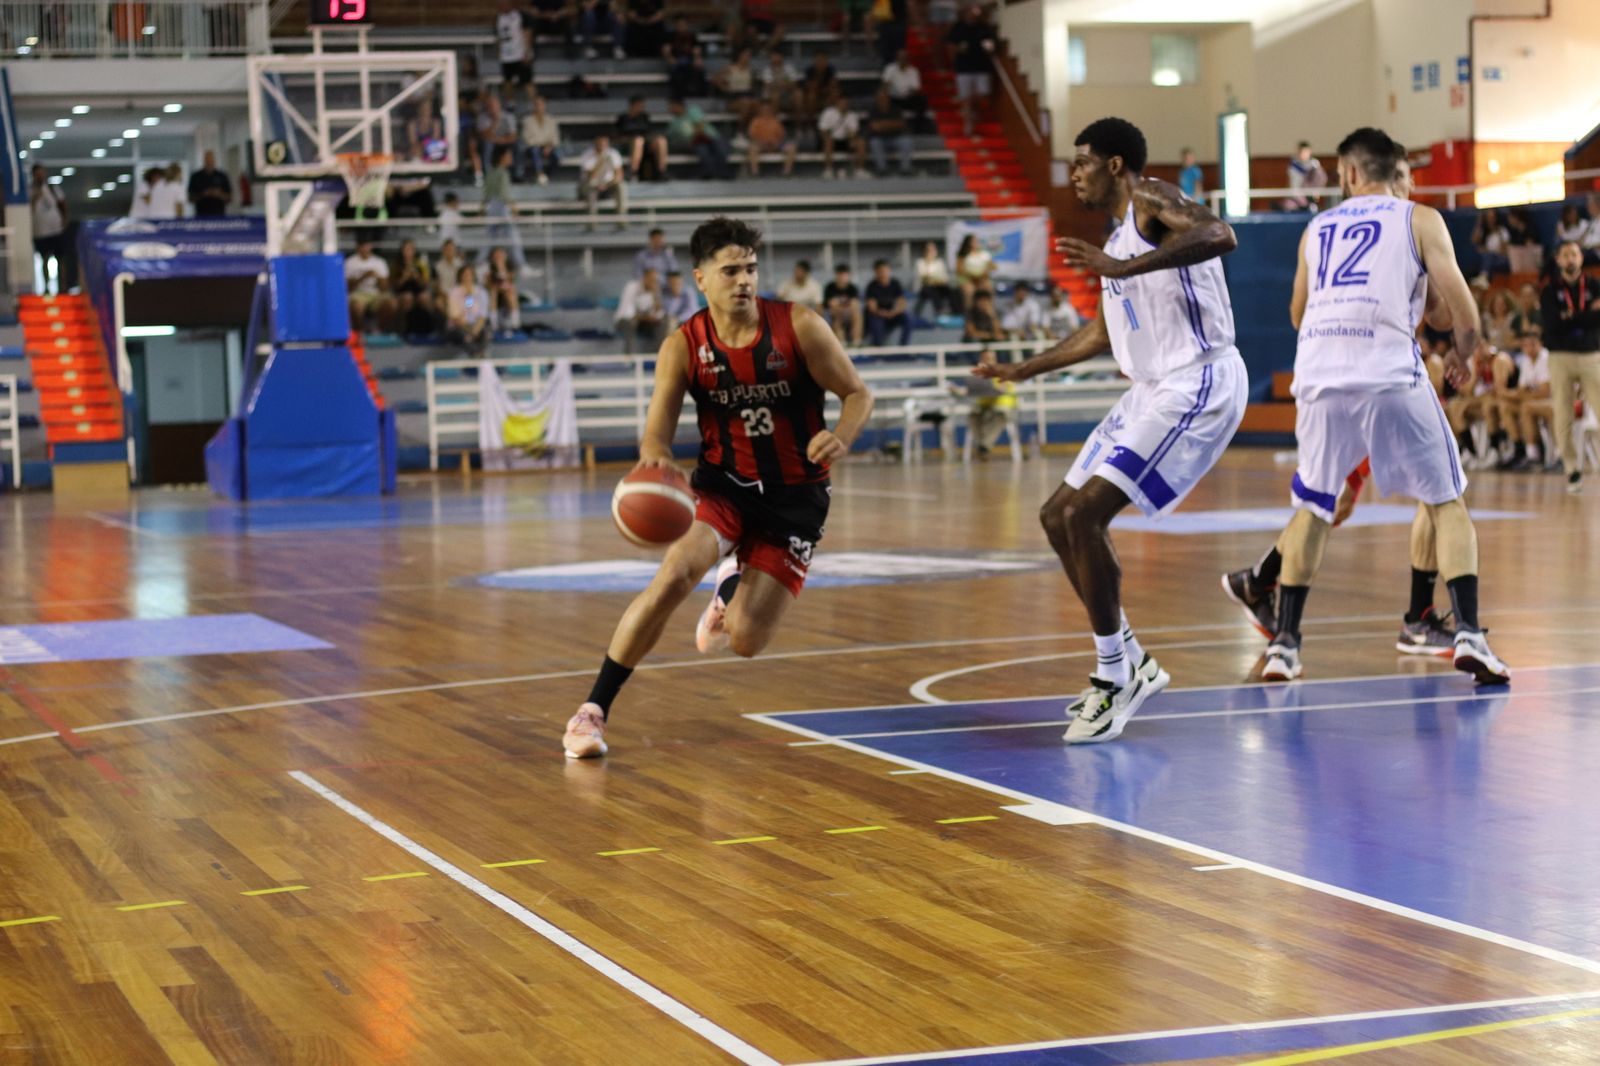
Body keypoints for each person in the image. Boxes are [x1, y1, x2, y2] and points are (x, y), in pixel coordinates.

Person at [974, 116, 1248, 742]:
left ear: (1117, 165)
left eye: (1083, 162)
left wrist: (1127, 268)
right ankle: (1131, 662)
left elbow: (1219, 231)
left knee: (1084, 516)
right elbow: (1101, 333)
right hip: (1151, 388)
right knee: (1056, 515)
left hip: (1198, 379)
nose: (1074, 173)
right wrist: (1025, 368)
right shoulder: (1112, 238)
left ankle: (1113, 675)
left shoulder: (1151, 199)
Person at [562, 217, 874, 758]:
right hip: (723, 487)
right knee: (674, 576)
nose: (744, 280)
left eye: (751, 268)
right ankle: (591, 713)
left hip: (796, 496)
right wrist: (658, 467)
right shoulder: (684, 345)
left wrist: (841, 436)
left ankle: (731, 583)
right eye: (730, 271)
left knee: (747, 640)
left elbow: (858, 393)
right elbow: (655, 437)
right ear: (701, 279)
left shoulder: (799, 326)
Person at [1254, 126, 1508, 684]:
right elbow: (1461, 314)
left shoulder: (1317, 228)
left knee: (1315, 508)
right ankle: (1468, 633)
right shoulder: (1419, 218)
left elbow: (1298, 313)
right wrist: (1466, 358)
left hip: (1319, 377)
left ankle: (1286, 646)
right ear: (1399, 173)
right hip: (1388, 371)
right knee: (1447, 500)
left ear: (1347, 173)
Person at [1541, 240, 1600, 492]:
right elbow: (1553, 325)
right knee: (1563, 414)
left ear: (1581, 258)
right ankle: (1572, 469)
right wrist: (1586, 317)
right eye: (1565, 254)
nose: (1570, 259)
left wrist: (1570, 318)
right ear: (1558, 260)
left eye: (1574, 254)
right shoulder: (1549, 291)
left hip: (1591, 355)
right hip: (1560, 357)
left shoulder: (1595, 285)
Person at [1498, 329, 1552, 470]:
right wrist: (1516, 394)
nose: (1529, 348)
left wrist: (1519, 394)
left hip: (1551, 402)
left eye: (1532, 344)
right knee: (1505, 406)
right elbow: (1523, 389)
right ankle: (1519, 450)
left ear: (1540, 344)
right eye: (1526, 345)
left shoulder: (1546, 357)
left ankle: (1534, 454)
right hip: (1533, 401)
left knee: (1526, 407)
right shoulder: (1526, 361)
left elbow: (1545, 392)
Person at [957, 348, 1017, 457]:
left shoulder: (1004, 372)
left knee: (999, 416)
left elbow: (1005, 388)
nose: (988, 362)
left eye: (990, 359)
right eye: (985, 359)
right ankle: (983, 446)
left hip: (1003, 407)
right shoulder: (978, 375)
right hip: (984, 407)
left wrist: (998, 388)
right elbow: (969, 391)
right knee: (973, 416)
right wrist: (957, 390)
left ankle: (983, 446)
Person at [946, 5, 995, 135]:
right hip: (964, 68)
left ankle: (974, 112)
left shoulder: (983, 28)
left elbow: (991, 45)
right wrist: (957, 51)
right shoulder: (958, 28)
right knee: (966, 97)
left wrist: (989, 48)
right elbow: (951, 45)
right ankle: (968, 123)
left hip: (981, 67)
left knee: (982, 93)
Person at [482, 146, 529, 272]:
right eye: (509, 155)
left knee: (489, 238)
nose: (511, 158)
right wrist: (514, 208)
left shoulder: (491, 172)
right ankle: (521, 265)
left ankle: (480, 263)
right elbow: (504, 194)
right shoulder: (503, 173)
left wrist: (482, 207)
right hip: (501, 207)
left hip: (491, 207)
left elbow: (486, 194)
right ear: (502, 157)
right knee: (514, 237)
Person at [665, 97, 733, 180]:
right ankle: (710, 175)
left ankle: (724, 174)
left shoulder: (693, 110)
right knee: (703, 152)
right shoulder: (674, 123)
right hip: (697, 143)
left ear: (679, 105)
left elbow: (700, 125)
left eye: (671, 106)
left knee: (720, 149)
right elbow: (674, 140)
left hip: (711, 137)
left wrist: (695, 137)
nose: (670, 109)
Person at [28, 166, 70, 294]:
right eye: (37, 174)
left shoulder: (53, 189)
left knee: (60, 259)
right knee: (44, 258)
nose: (40, 176)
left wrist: (65, 220)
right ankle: (46, 287)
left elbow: (63, 204)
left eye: (42, 173)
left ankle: (62, 287)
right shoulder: (30, 190)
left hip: (56, 229)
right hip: (40, 231)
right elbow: (28, 209)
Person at [578, 134, 628, 229]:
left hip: (609, 184)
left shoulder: (613, 153)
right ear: (595, 143)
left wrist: (607, 184)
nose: (602, 146)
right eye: (600, 144)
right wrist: (601, 160)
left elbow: (619, 175)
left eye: (604, 144)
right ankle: (592, 223)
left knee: (621, 186)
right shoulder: (587, 155)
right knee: (590, 189)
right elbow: (590, 177)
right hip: (592, 184)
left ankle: (622, 220)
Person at [346, 239, 395, 334]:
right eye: (363, 246)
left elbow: (385, 287)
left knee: (391, 304)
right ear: (358, 247)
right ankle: (359, 334)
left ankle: (380, 331)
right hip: (357, 293)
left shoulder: (379, 262)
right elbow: (347, 287)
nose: (365, 248)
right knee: (356, 307)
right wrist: (363, 276)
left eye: (368, 245)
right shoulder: (350, 262)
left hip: (375, 293)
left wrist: (378, 279)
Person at [615, 95, 669, 182]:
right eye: (639, 105)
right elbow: (619, 136)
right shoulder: (623, 118)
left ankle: (662, 171)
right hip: (630, 144)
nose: (641, 108)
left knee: (661, 140)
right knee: (638, 140)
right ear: (632, 105)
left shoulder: (644, 117)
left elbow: (649, 132)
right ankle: (633, 171)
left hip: (645, 144)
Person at [392, 239, 439, 336]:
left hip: (418, 291)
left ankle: (430, 328)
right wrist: (404, 277)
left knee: (425, 298)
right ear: (402, 251)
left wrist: (416, 277)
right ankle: (405, 329)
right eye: (406, 249)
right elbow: (394, 285)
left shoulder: (420, 264)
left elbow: (425, 284)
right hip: (402, 292)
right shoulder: (396, 264)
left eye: (410, 249)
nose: (408, 252)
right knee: (407, 298)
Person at [817, 88, 866, 180]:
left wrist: (851, 138)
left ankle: (859, 170)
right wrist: (828, 137)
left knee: (861, 142)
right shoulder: (828, 113)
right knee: (828, 141)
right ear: (837, 102)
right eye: (842, 102)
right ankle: (828, 171)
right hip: (831, 140)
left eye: (846, 103)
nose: (844, 105)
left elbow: (854, 132)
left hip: (846, 141)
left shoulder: (852, 115)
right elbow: (822, 130)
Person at [615, 267, 666, 353]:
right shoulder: (631, 287)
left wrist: (655, 298)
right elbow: (628, 313)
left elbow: (658, 315)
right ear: (644, 278)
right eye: (651, 280)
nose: (654, 283)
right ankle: (629, 359)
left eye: (655, 280)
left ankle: (659, 357)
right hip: (624, 321)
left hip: (642, 323)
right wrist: (646, 318)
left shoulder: (655, 290)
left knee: (662, 324)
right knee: (630, 324)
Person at [866, 88, 914, 177]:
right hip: (881, 139)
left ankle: (905, 168)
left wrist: (883, 125)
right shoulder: (873, 110)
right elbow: (874, 127)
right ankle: (882, 169)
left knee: (907, 141)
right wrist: (891, 124)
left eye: (885, 98)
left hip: (895, 138)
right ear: (877, 99)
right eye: (880, 98)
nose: (883, 100)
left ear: (888, 98)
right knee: (874, 142)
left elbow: (901, 124)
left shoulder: (895, 108)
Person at [864, 258, 911, 346]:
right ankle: (878, 348)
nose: (883, 273)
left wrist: (894, 312)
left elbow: (902, 302)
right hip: (878, 315)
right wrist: (883, 313)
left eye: (885, 270)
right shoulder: (872, 286)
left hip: (892, 314)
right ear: (876, 272)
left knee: (907, 319)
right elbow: (872, 307)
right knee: (875, 323)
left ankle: (904, 347)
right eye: (881, 271)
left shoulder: (895, 284)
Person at [446, 264, 493, 353]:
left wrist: (475, 330)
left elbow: (482, 315)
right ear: (460, 276)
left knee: (486, 333)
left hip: (476, 325)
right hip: (459, 326)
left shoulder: (481, 292)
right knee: (466, 336)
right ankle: (477, 356)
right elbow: (455, 317)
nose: (467, 277)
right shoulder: (453, 292)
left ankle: (481, 356)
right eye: (465, 274)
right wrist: (469, 330)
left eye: (470, 274)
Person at [477, 94, 520, 187]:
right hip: (491, 142)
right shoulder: (482, 117)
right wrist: (495, 123)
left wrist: (503, 140)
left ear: (499, 105)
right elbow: (484, 135)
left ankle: (517, 175)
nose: (493, 107)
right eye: (490, 105)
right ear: (487, 107)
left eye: (495, 105)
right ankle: (489, 176)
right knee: (487, 146)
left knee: (518, 145)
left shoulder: (509, 116)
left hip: (505, 141)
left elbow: (513, 135)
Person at [745, 102, 797, 177]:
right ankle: (755, 172)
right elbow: (752, 136)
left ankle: (786, 172)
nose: (766, 111)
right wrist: (762, 142)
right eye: (764, 109)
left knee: (791, 147)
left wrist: (775, 142)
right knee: (752, 148)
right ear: (760, 110)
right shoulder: (755, 122)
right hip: (761, 145)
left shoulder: (776, 121)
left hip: (776, 144)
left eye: (768, 109)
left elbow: (782, 136)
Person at [520, 94, 560, 185]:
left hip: (548, 147)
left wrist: (549, 146)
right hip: (533, 147)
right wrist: (542, 144)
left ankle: (548, 176)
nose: (539, 107)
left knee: (557, 155)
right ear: (533, 106)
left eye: (541, 104)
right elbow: (527, 138)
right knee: (535, 151)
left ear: (545, 106)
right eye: (537, 104)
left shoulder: (551, 120)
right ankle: (540, 174)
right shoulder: (527, 120)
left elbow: (555, 138)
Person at [713, 48, 759, 126]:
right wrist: (724, 87)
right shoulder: (730, 68)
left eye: (749, 56)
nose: (748, 58)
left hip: (747, 96)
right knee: (746, 104)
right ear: (740, 56)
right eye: (746, 55)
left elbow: (751, 86)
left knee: (757, 105)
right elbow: (715, 79)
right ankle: (740, 132)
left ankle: (755, 130)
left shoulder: (750, 70)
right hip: (734, 98)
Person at [495, 0, 534, 88]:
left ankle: (533, 101)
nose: (502, 6)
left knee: (527, 80)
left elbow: (527, 33)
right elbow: (498, 36)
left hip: (520, 54)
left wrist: (527, 52)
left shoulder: (520, 15)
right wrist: (499, 51)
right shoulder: (498, 17)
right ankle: (510, 102)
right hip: (506, 56)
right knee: (507, 80)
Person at [823, 263, 864, 344]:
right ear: (836, 275)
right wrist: (844, 307)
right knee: (837, 317)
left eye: (844, 275)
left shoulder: (852, 288)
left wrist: (843, 307)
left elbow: (855, 304)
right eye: (840, 275)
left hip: (849, 314)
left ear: (848, 276)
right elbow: (832, 305)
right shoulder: (830, 287)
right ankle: (841, 343)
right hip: (835, 315)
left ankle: (856, 341)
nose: (842, 278)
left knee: (857, 315)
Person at [484, 246, 522, 332]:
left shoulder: (510, 268)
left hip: (506, 296)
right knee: (493, 292)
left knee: (511, 292)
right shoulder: (488, 269)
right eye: (496, 255)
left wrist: (501, 268)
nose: (499, 257)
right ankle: (494, 325)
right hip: (493, 297)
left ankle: (515, 324)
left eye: (500, 255)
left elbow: (509, 283)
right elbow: (489, 286)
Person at [914, 240, 954, 318]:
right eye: (929, 250)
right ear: (925, 251)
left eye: (933, 249)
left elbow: (944, 277)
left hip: (939, 286)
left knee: (952, 290)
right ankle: (939, 310)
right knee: (931, 289)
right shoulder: (920, 262)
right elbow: (923, 277)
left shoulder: (940, 262)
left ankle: (954, 310)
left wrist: (939, 280)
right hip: (925, 288)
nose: (932, 252)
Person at [186, 150, 232, 217]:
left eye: (211, 159)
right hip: (201, 215)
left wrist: (219, 194)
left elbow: (229, 198)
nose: (209, 161)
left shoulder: (222, 176)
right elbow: (190, 198)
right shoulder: (195, 176)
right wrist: (202, 194)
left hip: (219, 215)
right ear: (204, 160)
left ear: (214, 160)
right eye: (207, 159)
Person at [954, 233, 994, 309]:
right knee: (970, 291)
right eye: (974, 241)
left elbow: (991, 266)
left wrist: (984, 273)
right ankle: (970, 313)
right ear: (968, 243)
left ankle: (989, 311)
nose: (976, 243)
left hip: (981, 278)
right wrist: (972, 276)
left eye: (977, 241)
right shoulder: (963, 255)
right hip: (967, 279)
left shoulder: (984, 254)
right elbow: (959, 270)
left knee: (988, 288)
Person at [1284, 141, 1326, 211]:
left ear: (1310, 152)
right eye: (1302, 152)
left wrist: (1317, 191)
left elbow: (1322, 179)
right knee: (1288, 207)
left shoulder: (1315, 165)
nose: (1304, 154)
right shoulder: (1293, 166)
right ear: (1298, 152)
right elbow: (1293, 186)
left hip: (1311, 196)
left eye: (1306, 152)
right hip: (1296, 197)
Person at [1472, 207, 1511, 277]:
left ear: (1496, 218)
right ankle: (1483, 277)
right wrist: (1479, 223)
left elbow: (1504, 251)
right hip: (1487, 258)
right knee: (1486, 257)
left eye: (1492, 217)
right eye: (1488, 217)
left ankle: (1483, 276)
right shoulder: (1484, 232)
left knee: (1489, 256)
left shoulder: (1502, 231)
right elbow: (1474, 240)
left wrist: (1491, 252)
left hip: (1500, 259)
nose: (1491, 220)